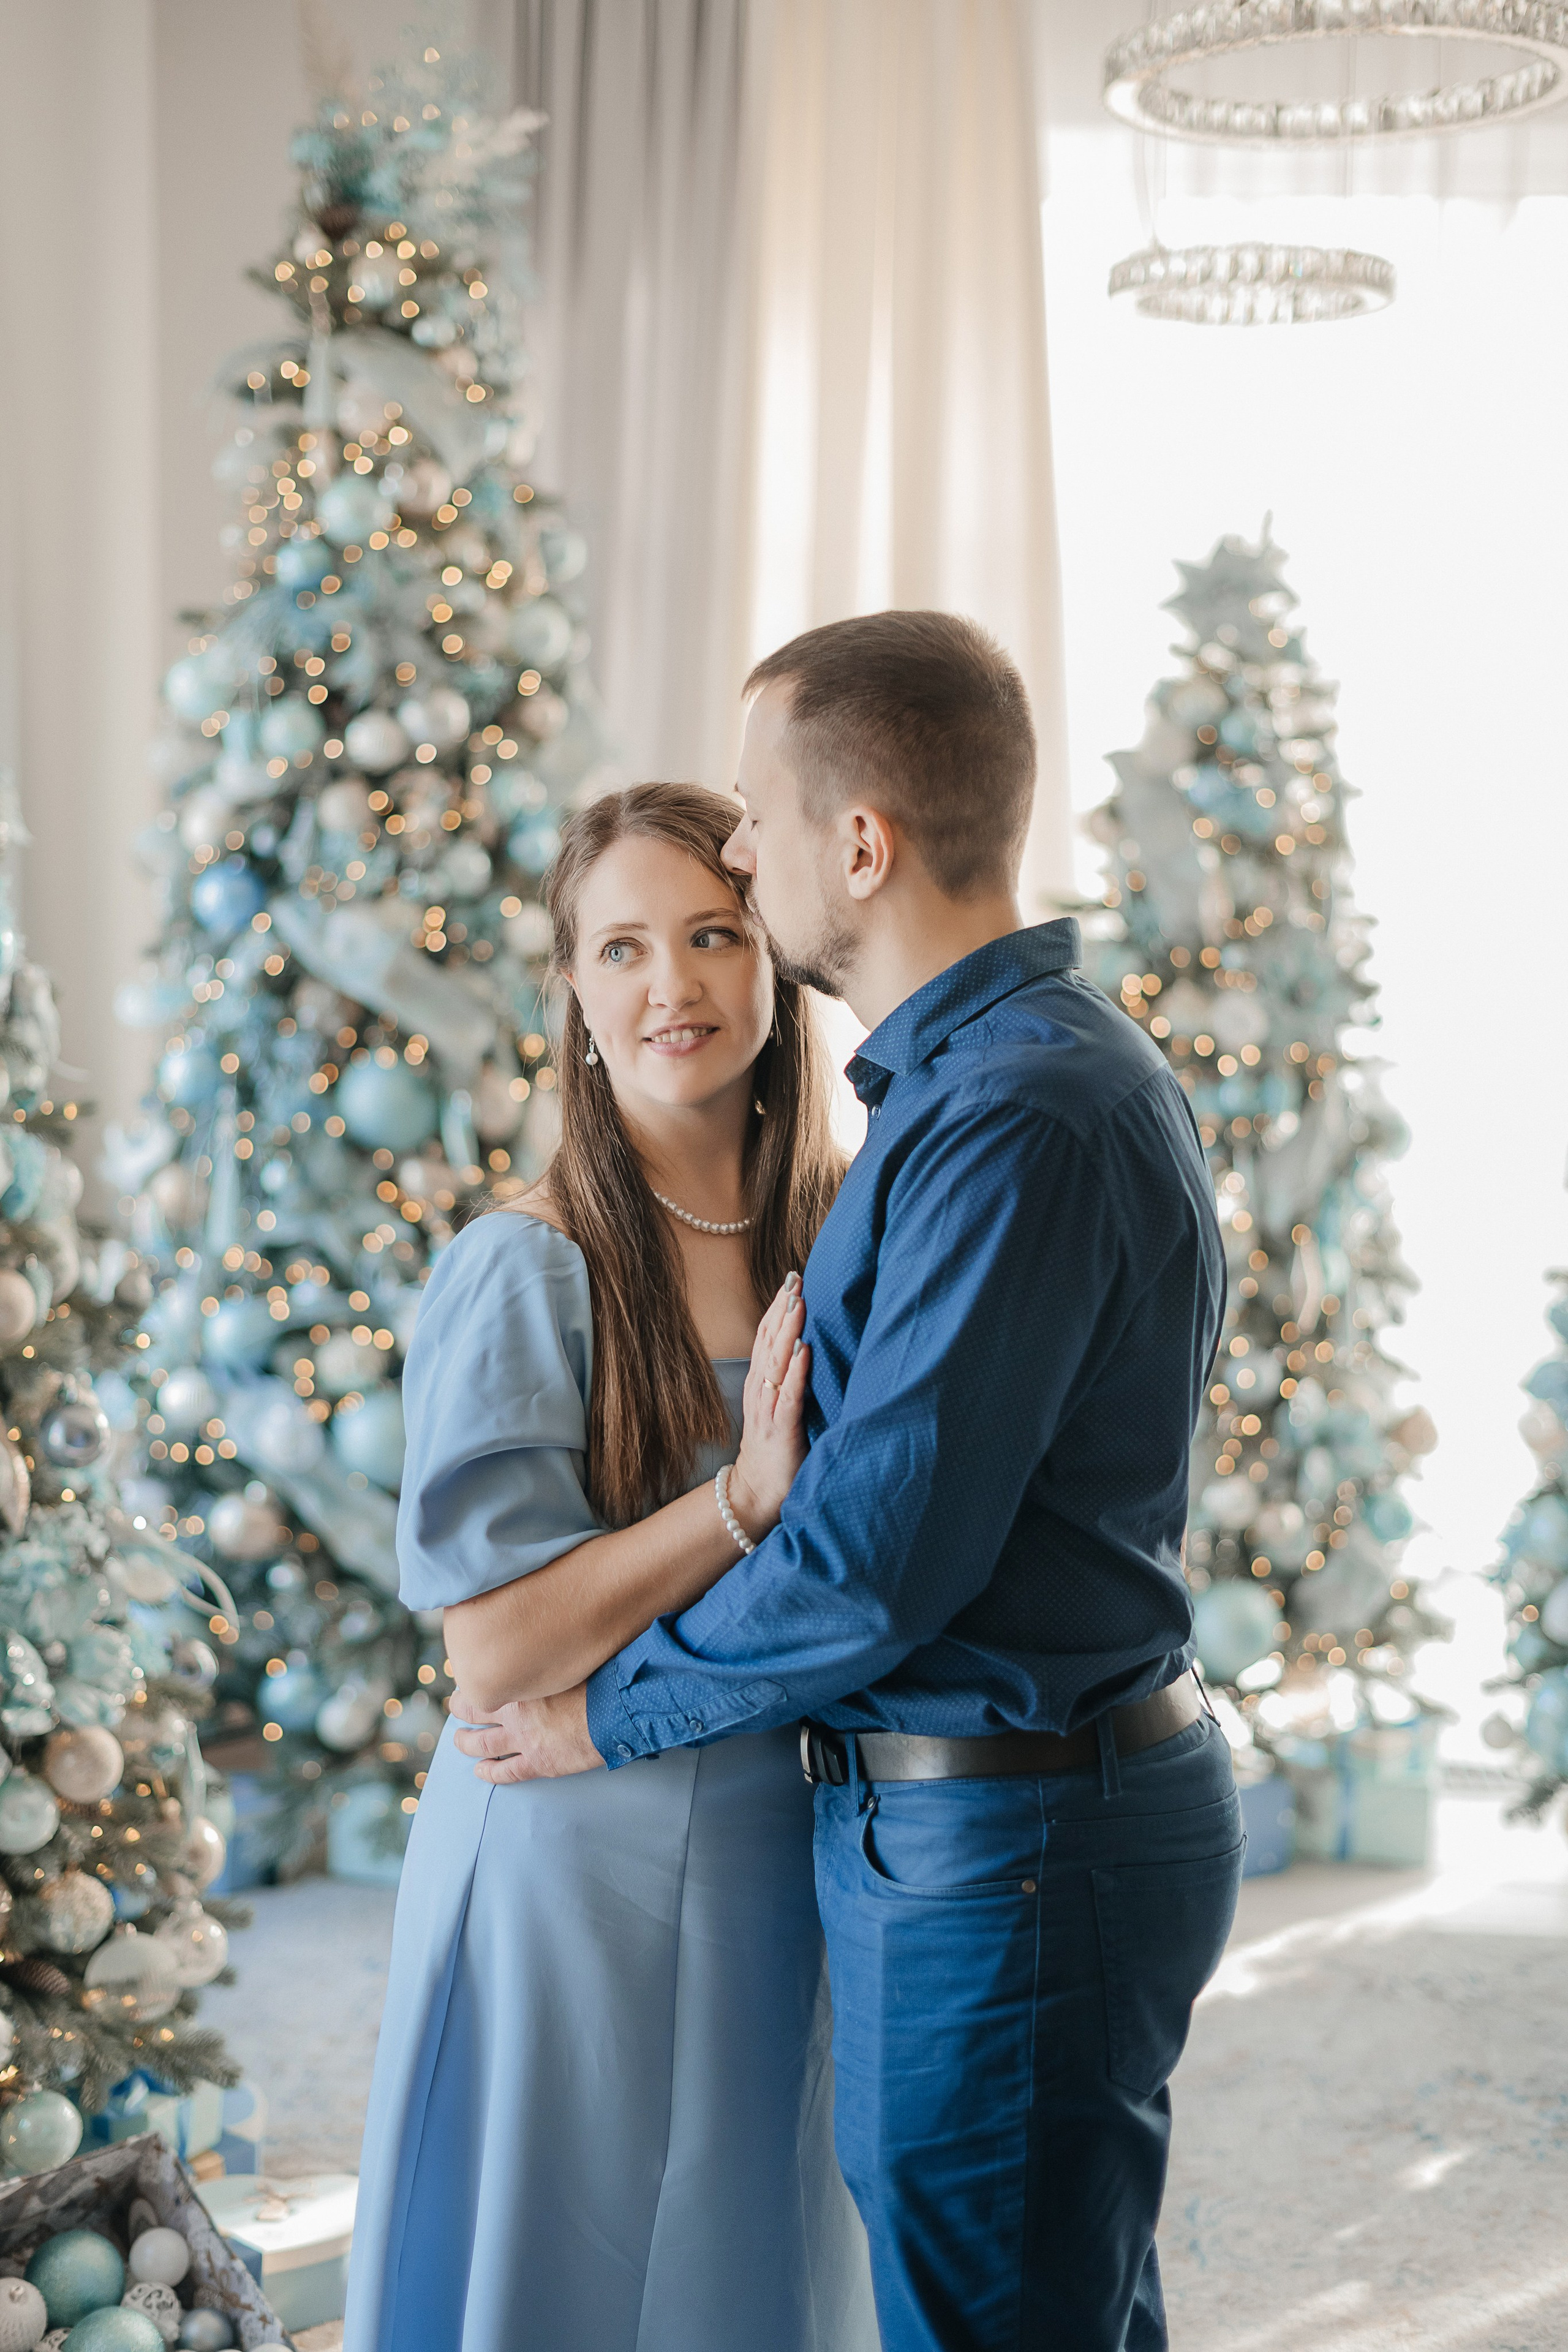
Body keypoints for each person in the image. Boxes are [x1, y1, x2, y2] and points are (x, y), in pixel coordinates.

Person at [457, 612, 1246, 2352]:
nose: (738, 846)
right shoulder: (974, 1089)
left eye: (753, 816)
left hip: (1012, 1840)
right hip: (991, 1822)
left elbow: (879, 1562)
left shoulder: (1017, 1116)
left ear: (861, 844)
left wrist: (608, 1715)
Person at [342, 783, 879, 2352]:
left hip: (798, 1832)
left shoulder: (845, 1225)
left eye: (714, 935)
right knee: (569, 2269)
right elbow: (494, 1652)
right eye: (624, 947)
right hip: (574, 1853)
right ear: (573, 993)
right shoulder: (527, 1263)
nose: (675, 987)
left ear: (775, 957)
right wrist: (739, 1504)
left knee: (761, 2254)